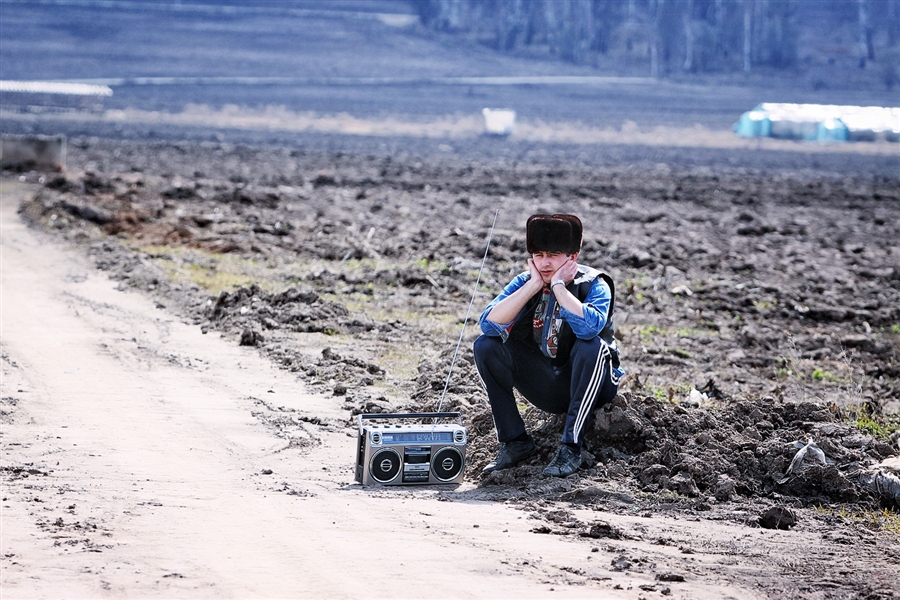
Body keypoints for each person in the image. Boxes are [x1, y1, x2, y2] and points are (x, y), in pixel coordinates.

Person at [473, 213, 624, 477]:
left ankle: (571, 447)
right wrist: (532, 287)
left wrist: (559, 289)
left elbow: (589, 329)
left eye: (553, 255)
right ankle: (516, 442)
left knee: (592, 347)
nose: (544, 263)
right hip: (548, 381)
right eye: (538, 255)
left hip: (594, 382)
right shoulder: (526, 281)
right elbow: (488, 324)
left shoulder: (595, 284)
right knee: (486, 346)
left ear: (572, 257)